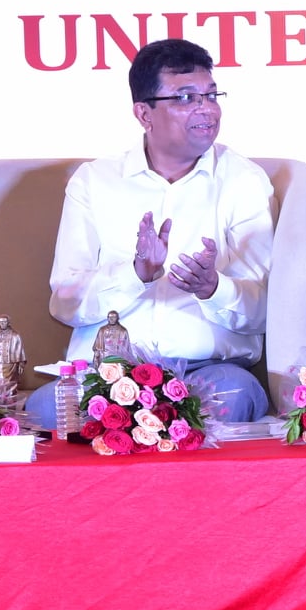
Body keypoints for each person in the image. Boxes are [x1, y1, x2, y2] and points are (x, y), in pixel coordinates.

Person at [32, 38, 272, 428]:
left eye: (211, 95)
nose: (206, 109)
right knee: (45, 409)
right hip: (107, 377)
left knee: (235, 396)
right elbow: (65, 303)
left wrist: (212, 287)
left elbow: (264, 310)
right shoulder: (94, 181)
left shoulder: (243, 180)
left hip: (207, 373)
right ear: (144, 113)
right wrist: (136, 274)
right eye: (186, 97)